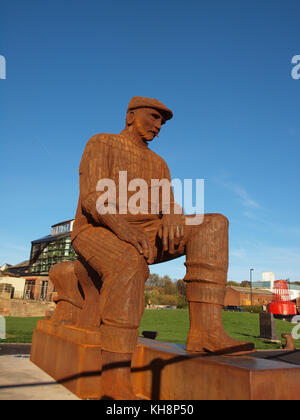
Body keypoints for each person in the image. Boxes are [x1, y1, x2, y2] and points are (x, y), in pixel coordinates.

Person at [58, 96, 253, 399]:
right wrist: (122, 228)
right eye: (154, 118)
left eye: (162, 122)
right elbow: (92, 198)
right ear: (131, 115)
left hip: (147, 230)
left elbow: (165, 201)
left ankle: (206, 331)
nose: (159, 127)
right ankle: (115, 377)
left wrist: (174, 211)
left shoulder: (158, 163)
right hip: (97, 229)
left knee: (212, 223)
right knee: (129, 262)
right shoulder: (102, 143)